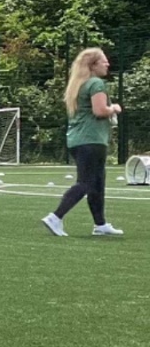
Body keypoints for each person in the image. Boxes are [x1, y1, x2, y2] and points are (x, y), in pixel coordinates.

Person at [43, 47, 123, 238]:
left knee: (97, 182)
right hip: (91, 139)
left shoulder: (79, 85)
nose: (107, 64)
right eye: (103, 61)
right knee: (86, 182)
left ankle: (100, 224)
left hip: (79, 140)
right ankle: (56, 217)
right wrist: (114, 108)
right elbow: (100, 110)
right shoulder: (96, 83)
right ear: (93, 65)